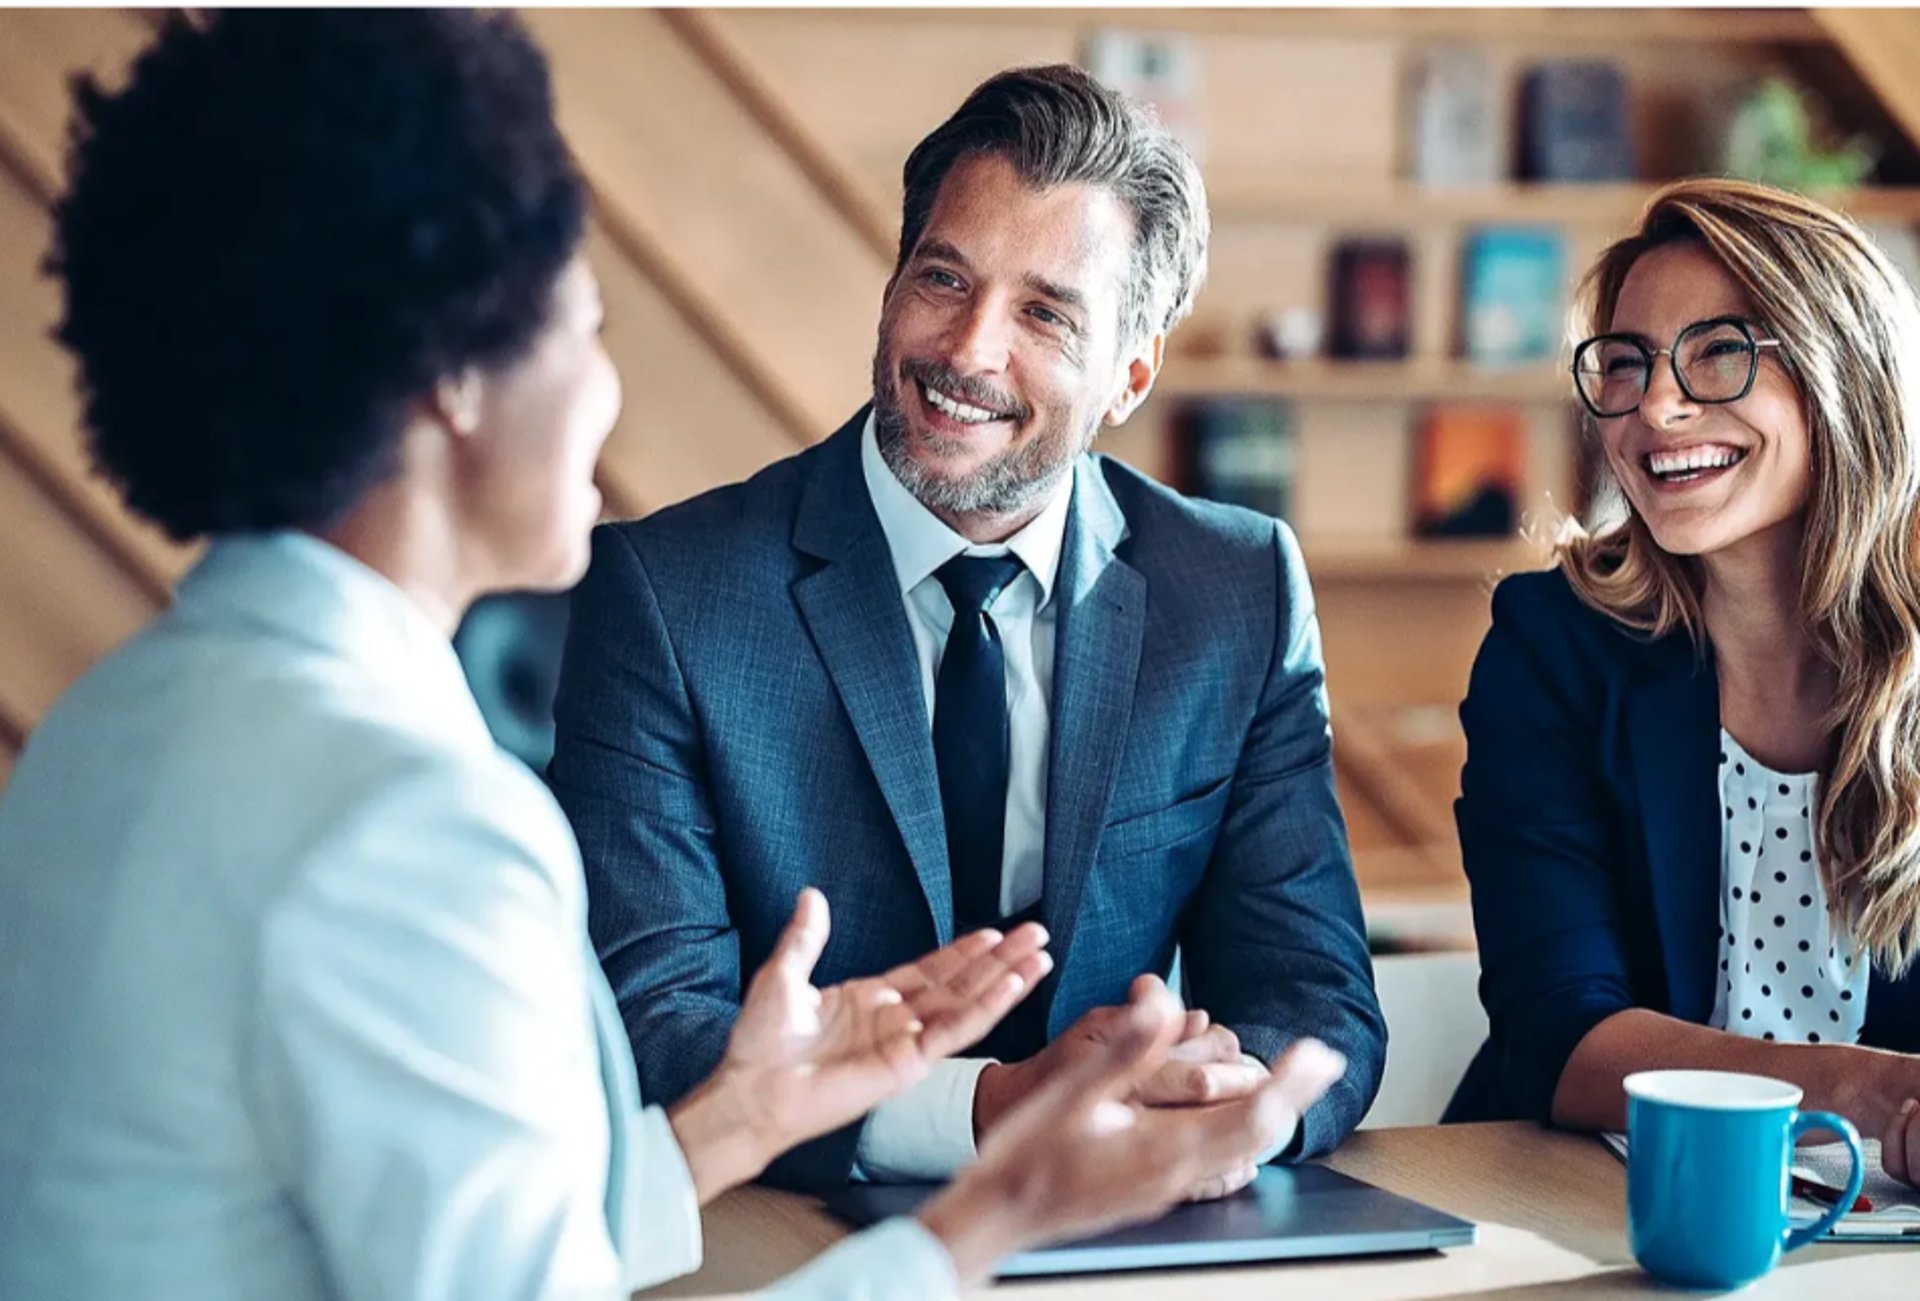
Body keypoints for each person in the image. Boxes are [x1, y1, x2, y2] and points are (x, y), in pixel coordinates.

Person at [0, 13, 1347, 1299]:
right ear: (453, 380)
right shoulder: (411, 828)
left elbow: (472, 1237)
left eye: (1047, 310)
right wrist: (1001, 1208)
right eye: (584, 324)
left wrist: (739, 1119)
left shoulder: (105, 723)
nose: (604, 390)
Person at [551, 62, 1384, 1197]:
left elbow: (1315, 991)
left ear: (1129, 375)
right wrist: (996, 1110)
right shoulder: (668, 595)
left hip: (1138, 1227)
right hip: (784, 1227)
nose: (968, 350)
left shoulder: (1235, 588)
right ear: (892, 283)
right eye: (944, 277)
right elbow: (651, 1024)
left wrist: (1222, 1099)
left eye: (1045, 312)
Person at [1448, 178, 1920, 1185]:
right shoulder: (1552, 644)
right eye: (1627, 362)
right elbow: (1559, 1032)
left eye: (1719, 351)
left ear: (1846, 374)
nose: (1655, 407)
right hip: (1595, 1203)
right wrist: (1868, 1091)